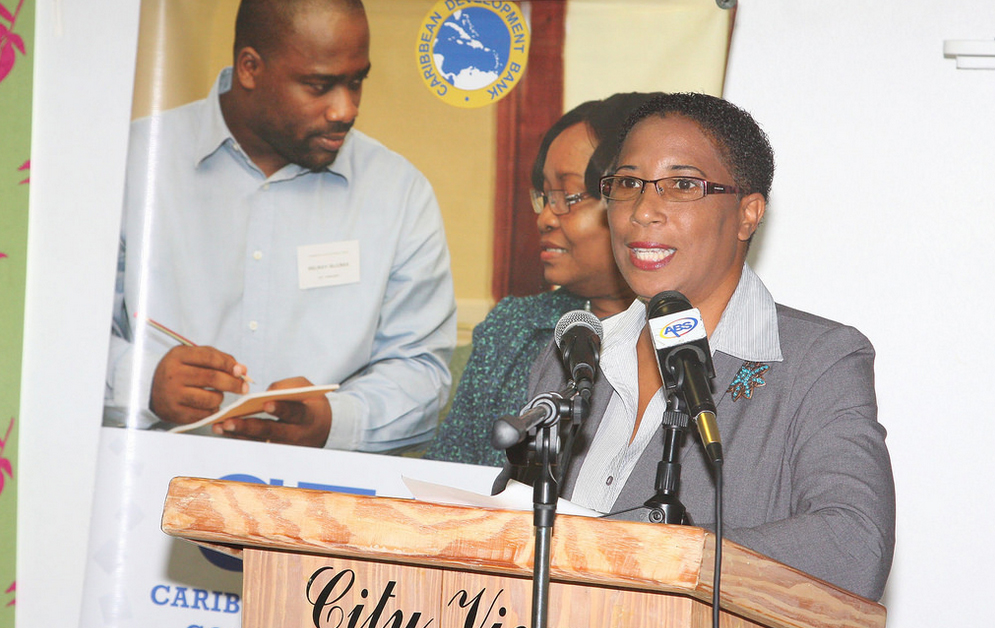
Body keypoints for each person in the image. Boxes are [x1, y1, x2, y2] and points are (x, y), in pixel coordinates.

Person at [524, 93, 895, 600]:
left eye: (682, 184)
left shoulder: (818, 362)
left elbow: (854, 547)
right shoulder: (574, 354)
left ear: (748, 213)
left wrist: (647, 557)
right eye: (628, 183)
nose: (643, 210)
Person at [104, 0, 456, 452]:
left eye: (356, 82)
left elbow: (421, 372)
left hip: (325, 502)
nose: (344, 109)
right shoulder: (132, 163)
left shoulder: (399, 194)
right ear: (250, 68)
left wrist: (335, 423)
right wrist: (143, 382)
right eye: (319, 86)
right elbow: (55, 329)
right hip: (146, 492)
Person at [425, 94, 658, 466]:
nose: (545, 218)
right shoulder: (514, 327)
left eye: (567, 196)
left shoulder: (690, 340)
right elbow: (446, 474)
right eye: (545, 197)